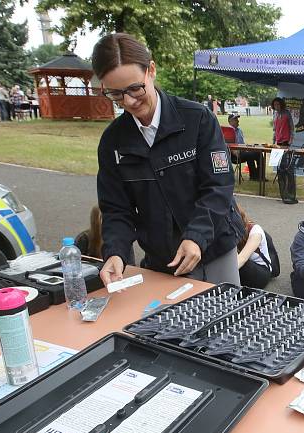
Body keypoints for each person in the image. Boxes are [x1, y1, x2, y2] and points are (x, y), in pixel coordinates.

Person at [92, 33, 243, 287]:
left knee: (225, 322)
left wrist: (196, 236)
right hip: (163, 258)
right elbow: (116, 209)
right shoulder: (112, 141)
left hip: (215, 245)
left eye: (134, 88)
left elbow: (218, 186)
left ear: (151, 70)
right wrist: (115, 252)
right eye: (116, 95)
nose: (128, 101)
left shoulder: (198, 120)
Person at [236, 203, 273, 289]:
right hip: (243, 268)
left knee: (232, 260)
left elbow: (242, 259)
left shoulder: (255, 231)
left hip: (261, 272)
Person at [227, 114, 260, 180]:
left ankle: (259, 175)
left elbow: (242, 144)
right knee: (249, 155)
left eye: (237, 119)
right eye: (235, 119)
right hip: (234, 154)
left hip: (243, 151)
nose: (238, 121)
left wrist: (249, 147)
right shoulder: (227, 131)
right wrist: (233, 151)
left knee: (258, 153)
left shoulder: (239, 131)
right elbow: (226, 144)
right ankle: (254, 176)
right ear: (230, 122)